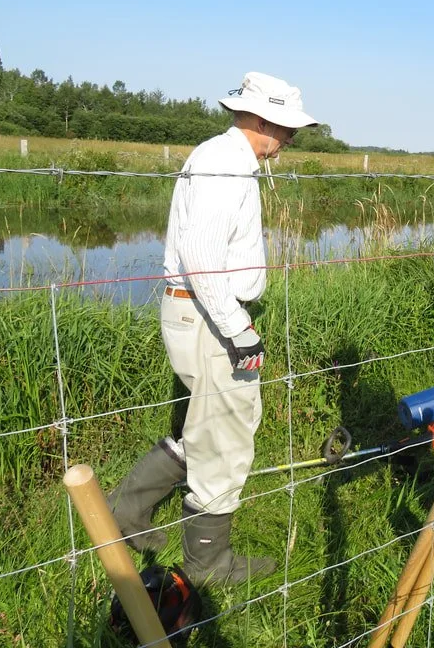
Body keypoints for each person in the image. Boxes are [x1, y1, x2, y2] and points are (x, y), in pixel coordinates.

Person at [109, 71, 320, 584]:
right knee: (224, 432)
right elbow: (201, 257)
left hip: (201, 310)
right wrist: (238, 329)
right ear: (264, 121)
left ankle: (125, 510)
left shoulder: (227, 159)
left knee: (202, 423)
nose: (291, 138)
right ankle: (207, 564)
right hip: (210, 314)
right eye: (288, 128)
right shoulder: (224, 163)